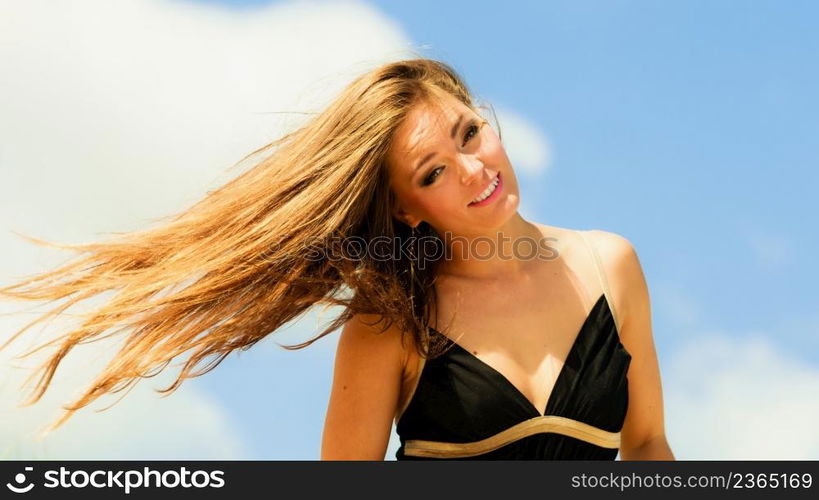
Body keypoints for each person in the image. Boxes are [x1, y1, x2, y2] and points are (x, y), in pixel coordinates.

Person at [0, 58, 673, 461]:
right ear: (407, 209)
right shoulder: (392, 323)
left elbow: (645, 446)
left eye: (471, 133)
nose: (473, 169)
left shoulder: (609, 266)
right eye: (433, 172)